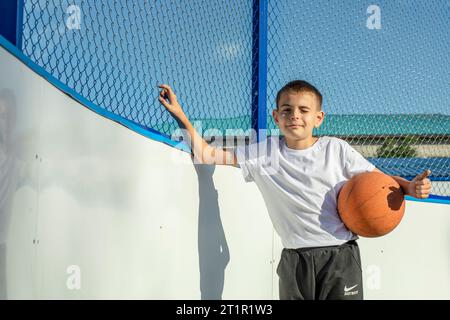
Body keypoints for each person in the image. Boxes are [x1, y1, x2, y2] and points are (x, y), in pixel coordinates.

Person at [157, 80, 432, 300]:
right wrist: (181, 116)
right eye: (287, 110)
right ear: (276, 116)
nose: (295, 116)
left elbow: (383, 181)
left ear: (319, 117)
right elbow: (207, 154)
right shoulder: (265, 153)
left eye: (303, 110)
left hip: (339, 257)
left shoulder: (336, 150)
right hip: (295, 260)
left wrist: (411, 187)